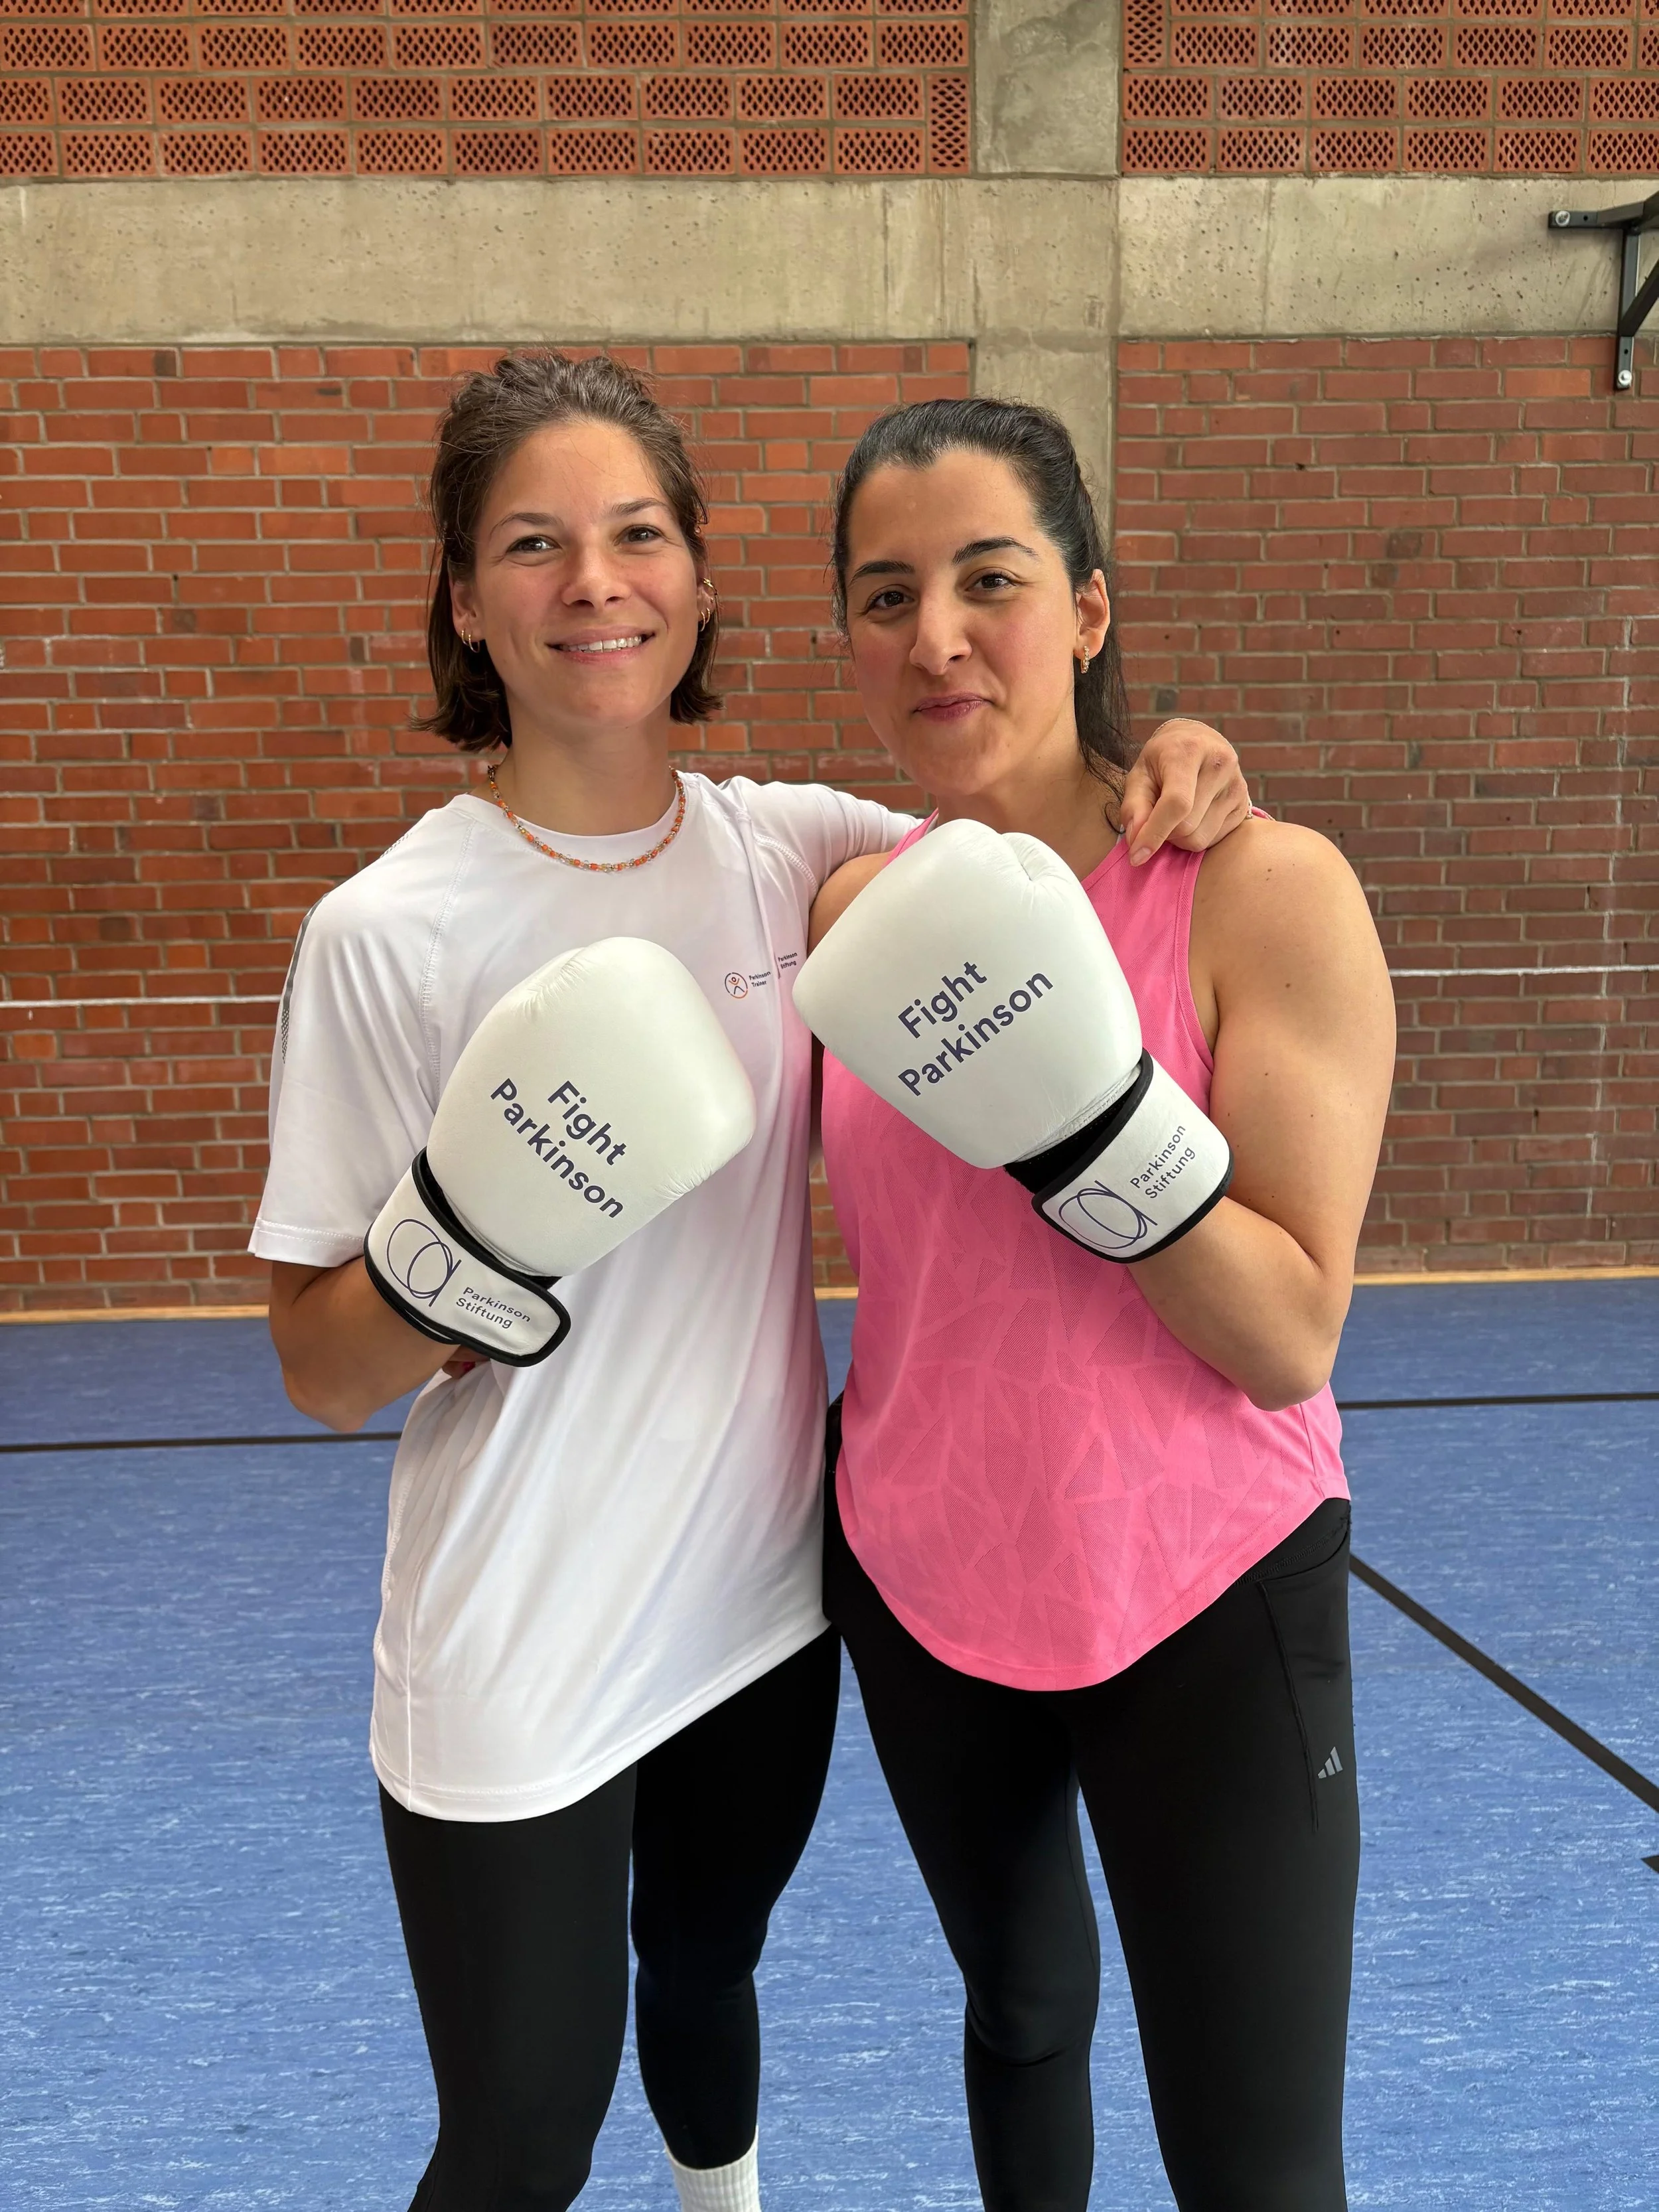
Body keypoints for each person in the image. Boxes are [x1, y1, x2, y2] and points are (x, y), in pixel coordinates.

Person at [253, 350, 1252, 2212]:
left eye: (637, 533)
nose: (591, 581)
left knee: (706, 1968)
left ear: (698, 577)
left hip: (755, 1615)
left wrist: (1169, 751)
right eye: (530, 544)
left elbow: (1036, 842)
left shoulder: (791, 849)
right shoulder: (384, 931)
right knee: (518, 2134)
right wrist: (462, 1240)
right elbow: (318, 1366)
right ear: (464, 601)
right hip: (515, 1623)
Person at [800, 397, 1396, 2212]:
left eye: (991, 578)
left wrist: (1083, 1125)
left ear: (1089, 606)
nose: (936, 635)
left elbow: (1288, 1329)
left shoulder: (1257, 889)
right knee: (1019, 2020)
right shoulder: (842, 909)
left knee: (1255, 2162)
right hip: (918, 1584)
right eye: (884, 593)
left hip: (1201, 1593)